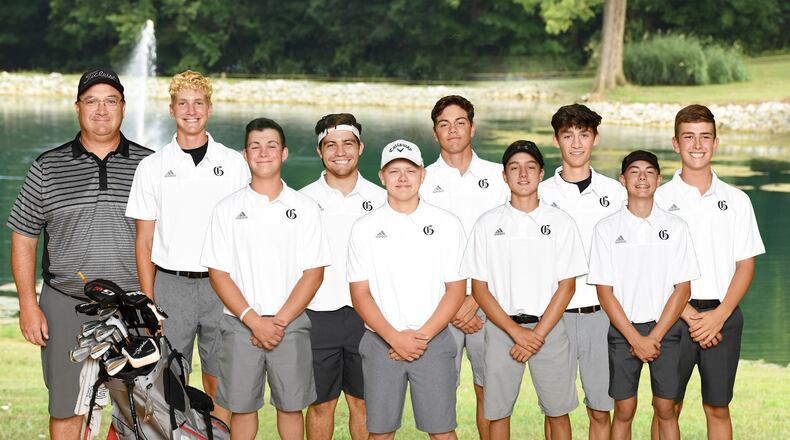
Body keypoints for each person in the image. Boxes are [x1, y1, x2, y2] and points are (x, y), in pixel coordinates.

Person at [7, 68, 152, 439]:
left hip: (133, 306)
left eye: (110, 101)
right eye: (92, 101)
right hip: (65, 304)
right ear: (77, 108)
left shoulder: (151, 165)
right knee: (67, 408)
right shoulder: (47, 167)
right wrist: (28, 304)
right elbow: (24, 237)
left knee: (140, 414)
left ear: (123, 107)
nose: (101, 110)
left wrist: (158, 302)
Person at [125, 70, 249, 424]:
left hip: (221, 285)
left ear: (209, 108)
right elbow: (144, 240)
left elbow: (245, 234)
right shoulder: (152, 167)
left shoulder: (234, 164)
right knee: (172, 379)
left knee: (219, 380)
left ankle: (217, 434)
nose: (190, 111)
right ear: (171, 109)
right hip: (171, 284)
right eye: (183, 103)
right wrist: (148, 302)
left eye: (198, 103)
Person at [200, 118, 330, 440]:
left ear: (284, 153)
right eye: (255, 147)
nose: (263, 153)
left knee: (291, 408)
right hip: (240, 323)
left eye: (271, 146)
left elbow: (313, 273)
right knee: (242, 409)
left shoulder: (305, 208)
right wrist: (254, 321)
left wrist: (279, 322)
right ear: (245, 154)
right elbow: (218, 273)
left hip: (291, 324)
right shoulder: (226, 209)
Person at [650, 105, 764, 440]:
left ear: (715, 143)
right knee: (666, 407)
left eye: (705, 137)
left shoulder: (737, 200)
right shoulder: (657, 199)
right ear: (675, 143)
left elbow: (745, 265)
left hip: (723, 316)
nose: (697, 145)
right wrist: (689, 315)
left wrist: (718, 316)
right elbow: (651, 268)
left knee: (718, 408)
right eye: (689, 137)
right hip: (672, 316)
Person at [461, 141, 585, 440]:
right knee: (497, 413)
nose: (523, 174)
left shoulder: (561, 222)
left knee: (558, 412)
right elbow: (480, 289)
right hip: (502, 329)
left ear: (541, 173)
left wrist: (537, 335)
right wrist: (516, 332)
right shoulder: (487, 223)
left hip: (549, 328)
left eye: (531, 167)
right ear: (504, 176)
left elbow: (567, 286)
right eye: (514, 168)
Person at [348, 139, 466, 439]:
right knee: (380, 432)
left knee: (442, 432)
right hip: (381, 342)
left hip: (433, 340)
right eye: (394, 171)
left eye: (410, 171)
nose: (402, 178)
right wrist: (394, 338)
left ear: (423, 175)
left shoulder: (447, 223)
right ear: (381, 176)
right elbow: (360, 293)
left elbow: (455, 290)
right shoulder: (363, 227)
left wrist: (420, 338)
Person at [588, 150, 700, 440]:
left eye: (649, 172)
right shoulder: (606, 229)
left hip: (666, 329)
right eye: (634, 172)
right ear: (622, 179)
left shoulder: (676, 227)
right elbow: (604, 292)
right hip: (623, 330)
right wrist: (636, 339)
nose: (642, 178)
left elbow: (683, 289)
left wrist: (655, 337)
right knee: (624, 410)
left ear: (659, 180)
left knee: (666, 408)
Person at [419, 95, 509, 439]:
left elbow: (507, 244)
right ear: (435, 132)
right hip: (440, 307)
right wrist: (455, 302)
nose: (453, 130)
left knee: (491, 395)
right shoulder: (421, 180)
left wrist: (474, 297)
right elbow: (419, 251)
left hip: (490, 303)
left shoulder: (498, 177)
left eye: (460, 123)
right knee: (440, 395)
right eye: (444, 124)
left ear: (472, 127)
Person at [538, 104, 625, 439]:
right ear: (556, 140)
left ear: (595, 138)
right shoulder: (539, 193)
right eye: (568, 135)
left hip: (601, 314)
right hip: (553, 315)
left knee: (601, 409)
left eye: (584, 135)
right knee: (555, 409)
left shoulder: (616, 193)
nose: (576, 144)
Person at [299, 113, 385, 439]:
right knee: (321, 405)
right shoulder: (302, 201)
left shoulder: (382, 199)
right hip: (318, 315)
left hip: (370, 316)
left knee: (364, 404)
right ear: (319, 151)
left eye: (348, 143)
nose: (340, 152)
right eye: (330, 145)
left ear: (360, 148)